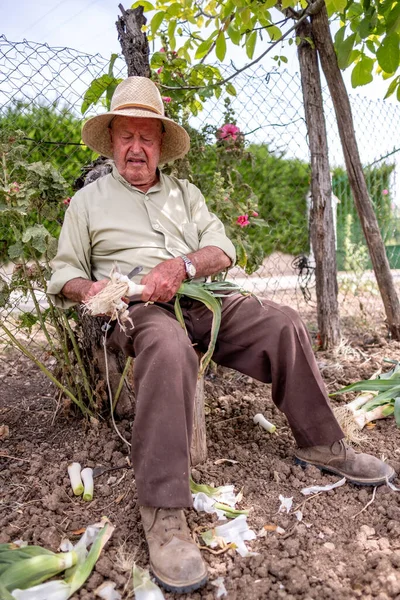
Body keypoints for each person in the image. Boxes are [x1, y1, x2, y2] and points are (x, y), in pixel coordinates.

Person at [48, 76, 395, 594]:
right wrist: (94, 288)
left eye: (147, 137)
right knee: (167, 349)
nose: (136, 147)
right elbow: (63, 275)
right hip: (133, 308)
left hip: (197, 297)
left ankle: (322, 444)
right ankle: (164, 511)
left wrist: (182, 265)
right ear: (112, 140)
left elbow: (223, 249)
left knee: (283, 321)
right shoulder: (89, 203)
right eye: (126, 136)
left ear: (161, 144)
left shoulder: (186, 195)